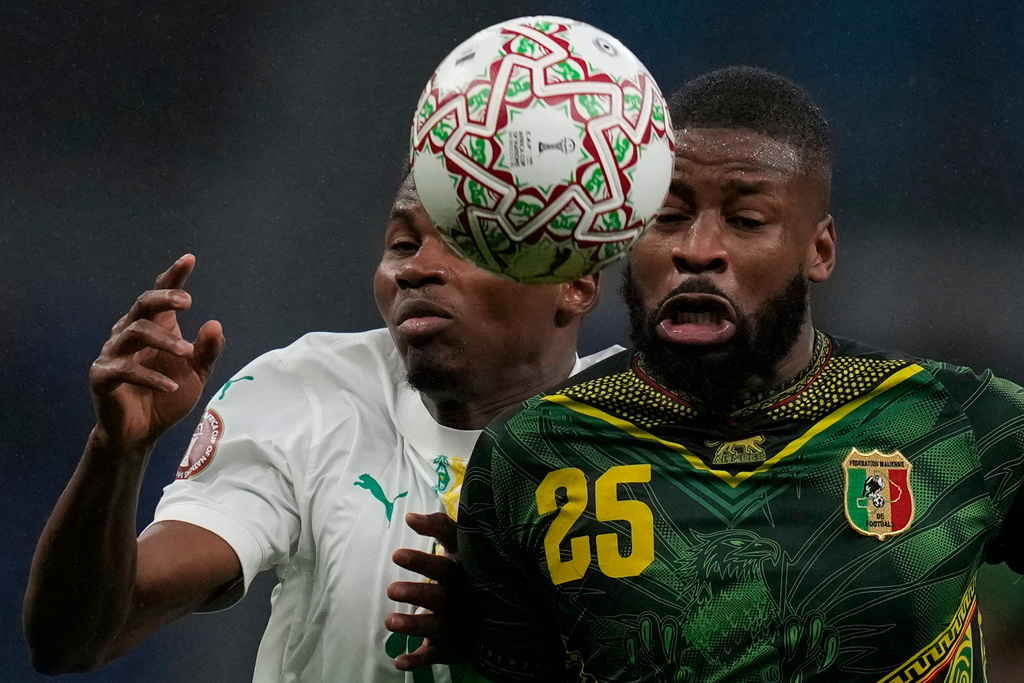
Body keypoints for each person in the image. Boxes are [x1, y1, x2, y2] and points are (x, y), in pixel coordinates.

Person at [453, 66, 1024, 682]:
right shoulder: (531, 453)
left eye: (746, 220)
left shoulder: (960, 422)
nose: (697, 249)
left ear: (819, 250)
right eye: (667, 216)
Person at [22, 174, 617, 682]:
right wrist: (116, 452)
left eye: (466, 243)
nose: (416, 270)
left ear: (576, 282)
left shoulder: (648, 437)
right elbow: (76, 639)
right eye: (402, 243)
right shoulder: (309, 395)